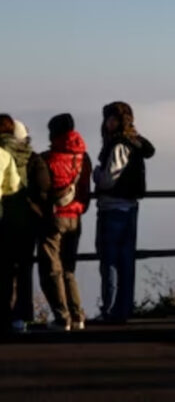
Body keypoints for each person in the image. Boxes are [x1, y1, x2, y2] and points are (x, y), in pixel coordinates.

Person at [94, 102, 155, 323]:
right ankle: (124, 308)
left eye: (110, 119)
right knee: (126, 261)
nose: (107, 123)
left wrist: (96, 176)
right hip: (130, 208)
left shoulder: (119, 145)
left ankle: (110, 310)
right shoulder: (135, 143)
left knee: (109, 260)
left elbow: (110, 178)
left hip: (113, 208)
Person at [38, 114, 93, 331]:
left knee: (52, 268)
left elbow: (42, 189)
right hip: (76, 217)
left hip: (54, 217)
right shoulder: (83, 158)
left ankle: (62, 318)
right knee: (69, 269)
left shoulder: (49, 158)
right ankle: (78, 316)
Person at [0, 117, 50, 333]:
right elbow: (43, 186)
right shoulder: (32, 156)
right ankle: (22, 317)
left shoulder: (3, 153)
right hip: (26, 220)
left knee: (3, 270)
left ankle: (4, 316)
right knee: (24, 269)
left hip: (5, 219)